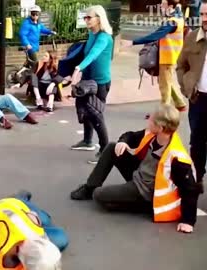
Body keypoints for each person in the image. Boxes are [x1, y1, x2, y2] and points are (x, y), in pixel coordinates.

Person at [70, 104, 203, 234]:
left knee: (99, 195)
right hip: (139, 175)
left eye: (151, 118)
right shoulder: (152, 134)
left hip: (145, 193)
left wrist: (188, 221)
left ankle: (140, 206)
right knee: (112, 148)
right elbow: (130, 136)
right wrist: (123, 142)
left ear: (160, 127)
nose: (148, 119)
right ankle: (89, 187)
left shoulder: (177, 157)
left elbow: (190, 189)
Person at [0, 190, 67, 270]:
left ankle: (22, 199)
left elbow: (32, 215)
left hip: (16, 208)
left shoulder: (31, 231)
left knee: (47, 221)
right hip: (3, 209)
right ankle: (21, 198)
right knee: (55, 231)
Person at [122, 0, 187, 112]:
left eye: (163, 4)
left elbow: (155, 35)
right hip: (169, 57)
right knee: (167, 82)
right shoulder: (177, 18)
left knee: (164, 86)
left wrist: (132, 42)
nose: (160, 6)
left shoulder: (172, 22)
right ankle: (180, 104)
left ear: (170, 6)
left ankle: (163, 113)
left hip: (168, 58)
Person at [69, 5, 114, 165]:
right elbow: (85, 54)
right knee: (85, 111)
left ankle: (105, 150)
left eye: (89, 17)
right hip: (88, 81)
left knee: (96, 115)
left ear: (99, 19)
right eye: (85, 17)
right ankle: (87, 141)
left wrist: (78, 68)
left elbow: (94, 54)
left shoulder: (104, 37)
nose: (86, 20)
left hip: (100, 83)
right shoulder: (91, 34)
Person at [176, 0, 207, 184]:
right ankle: (197, 179)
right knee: (197, 141)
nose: (204, 19)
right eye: (202, 14)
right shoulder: (193, 37)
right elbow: (180, 65)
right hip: (199, 99)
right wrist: (185, 85)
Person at [18, 5, 55, 108]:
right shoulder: (27, 23)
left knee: (31, 63)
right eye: (33, 14)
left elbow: (42, 29)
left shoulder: (38, 24)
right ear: (31, 14)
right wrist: (26, 43)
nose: (35, 16)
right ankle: (27, 79)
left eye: (37, 14)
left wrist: (50, 32)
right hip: (29, 47)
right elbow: (22, 34)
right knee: (35, 64)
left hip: (35, 46)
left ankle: (22, 73)